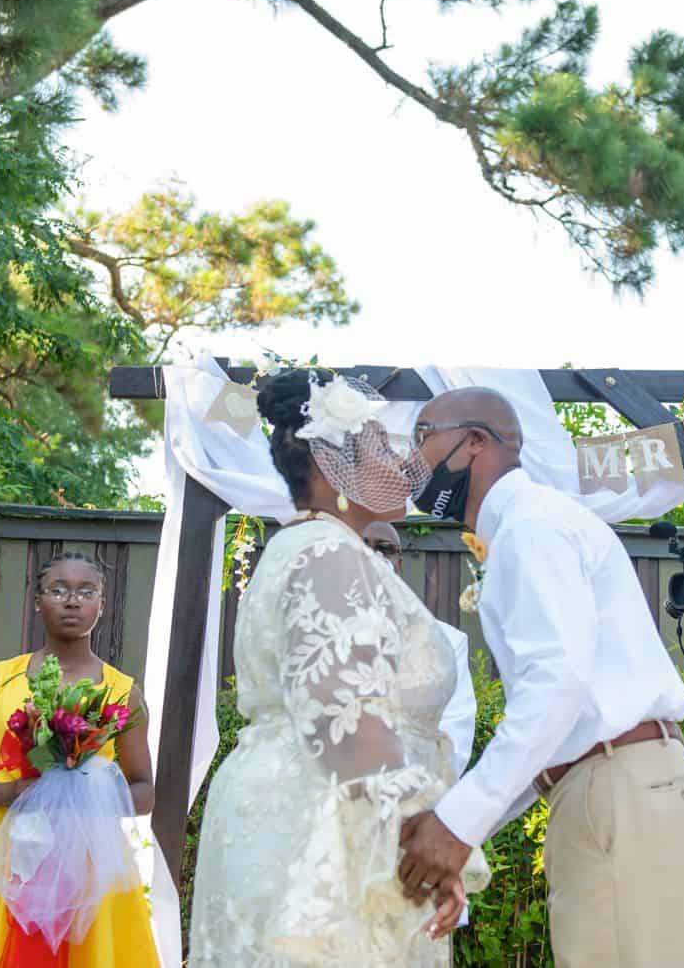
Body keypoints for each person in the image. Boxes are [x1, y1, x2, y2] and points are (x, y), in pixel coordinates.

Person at [188, 369, 488, 967]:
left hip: (335, 815)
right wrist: (425, 836)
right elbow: (346, 720)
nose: (402, 465)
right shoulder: (328, 555)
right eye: (380, 449)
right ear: (331, 470)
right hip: (321, 833)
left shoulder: (320, 550)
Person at [397, 387, 684, 967]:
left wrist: (456, 825)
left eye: (423, 438)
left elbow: (556, 688)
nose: (414, 461)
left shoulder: (531, 528)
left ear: (475, 442)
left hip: (614, 784)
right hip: (611, 782)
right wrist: (460, 826)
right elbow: (555, 732)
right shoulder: (530, 524)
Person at [0, 551, 160, 968]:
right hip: (5, 849)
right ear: (37, 601)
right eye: (58, 590)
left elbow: (144, 792)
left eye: (86, 592)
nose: (72, 601)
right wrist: (11, 792)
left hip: (89, 862)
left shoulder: (124, 693)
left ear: (102, 605)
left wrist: (84, 792)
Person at [361, 520, 477, 776]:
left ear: (399, 563)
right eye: (362, 546)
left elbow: (456, 728)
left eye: (384, 548)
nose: (373, 555)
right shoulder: (325, 634)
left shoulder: (447, 641)